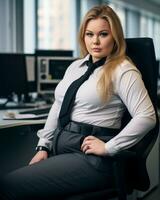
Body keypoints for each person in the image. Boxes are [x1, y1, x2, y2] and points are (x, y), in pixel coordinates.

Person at [0, 4, 156, 200]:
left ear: (115, 37)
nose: (95, 41)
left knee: (7, 185)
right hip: (62, 146)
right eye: (89, 34)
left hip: (91, 157)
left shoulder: (123, 70)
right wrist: (43, 146)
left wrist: (109, 148)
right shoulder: (76, 67)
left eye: (103, 34)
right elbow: (58, 106)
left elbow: (147, 116)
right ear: (83, 36)